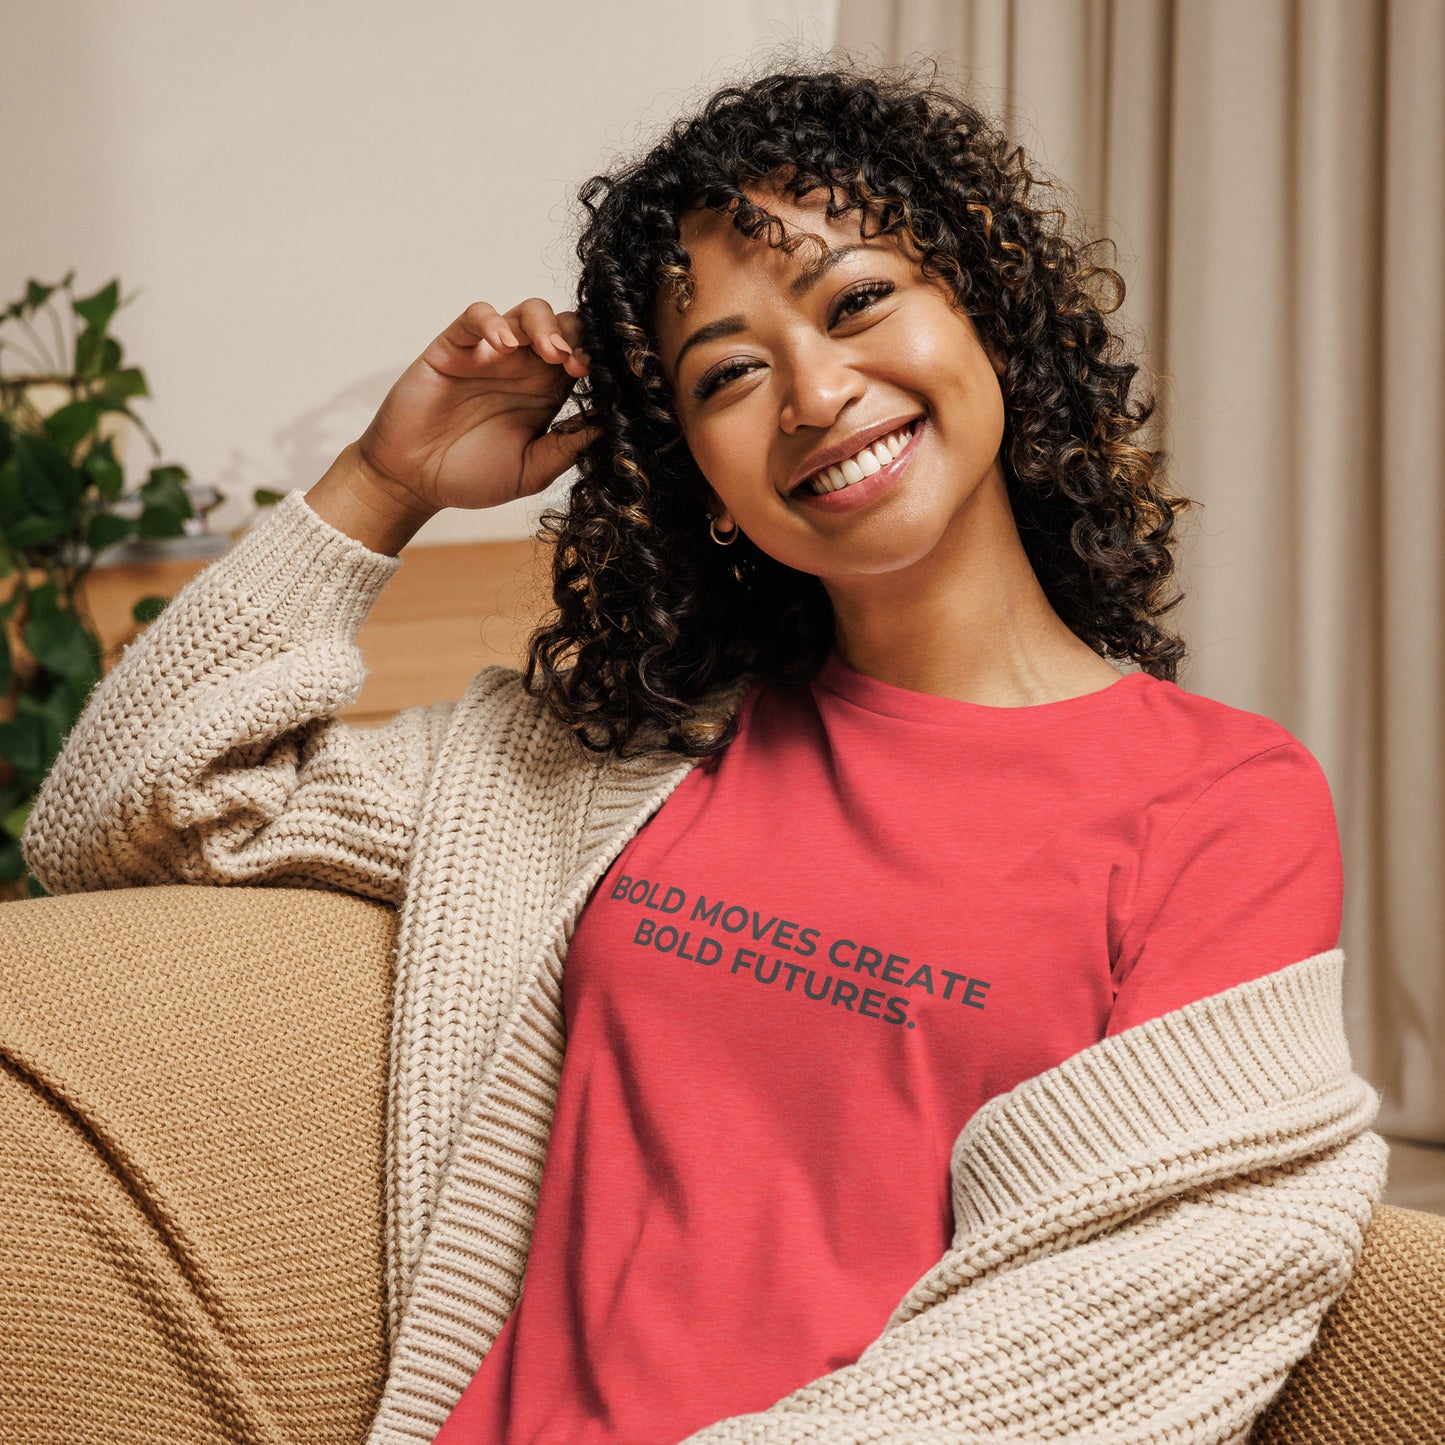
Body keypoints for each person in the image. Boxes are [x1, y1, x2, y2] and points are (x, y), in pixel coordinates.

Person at [15, 58, 1386, 1445]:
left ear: (986, 314)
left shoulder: (1217, 800)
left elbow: (1134, 1302)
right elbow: (128, 813)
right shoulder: (614, 762)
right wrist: (382, 484)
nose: (811, 390)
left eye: (858, 300)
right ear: (702, 480)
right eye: (728, 371)